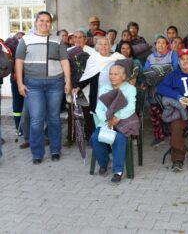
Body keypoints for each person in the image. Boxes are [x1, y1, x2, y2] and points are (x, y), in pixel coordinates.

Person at [15, 11, 71, 164]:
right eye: (41, 20)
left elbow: (65, 62)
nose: (44, 23)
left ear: (51, 24)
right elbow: (18, 62)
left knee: (54, 118)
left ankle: (55, 150)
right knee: (36, 120)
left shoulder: (57, 40)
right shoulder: (26, 40)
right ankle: (37, 153)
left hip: (55, 83)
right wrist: (20, 84)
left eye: (47, 21)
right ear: (36, 22)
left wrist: (68, 81)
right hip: (33, 84)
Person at [91, 64, 137, 183]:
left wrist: (117, 117)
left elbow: (131, 107)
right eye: (110, 74)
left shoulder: (130, 89)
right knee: (95, 137)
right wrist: (107, 121)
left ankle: (118, 171)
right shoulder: (104, 89)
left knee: (119, 138)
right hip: (106, 122)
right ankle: (103, 163)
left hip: (123, 122)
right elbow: (99, 109)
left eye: (116, 74)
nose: (112, 76)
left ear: (123, 76)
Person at [74, 37, 125, 139]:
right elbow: (88, 76)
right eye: (101, 44)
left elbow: (129, 71)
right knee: (100, 120)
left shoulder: (117, 58)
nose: (103, 47)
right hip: (97, 95)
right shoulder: (93, 59)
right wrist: (78, 87)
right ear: (97, 47)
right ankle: (103, 143)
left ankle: (113, 142)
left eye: (106, 44)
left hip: (114, 95)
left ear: (110, 46)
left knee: (113, 118)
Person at [144, 34, 179, 146]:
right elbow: (146, 72)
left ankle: (174, 137)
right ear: (155, 45)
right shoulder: (150, 57)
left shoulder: (172, 54)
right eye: (158, 42)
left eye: (163, 43)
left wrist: (160, 75)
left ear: (167, 45)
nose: (160, 45)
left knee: (171, 112)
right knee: (155, 113)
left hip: (169, 89)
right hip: (153, 90)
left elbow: (176, 70)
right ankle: (159, 136)